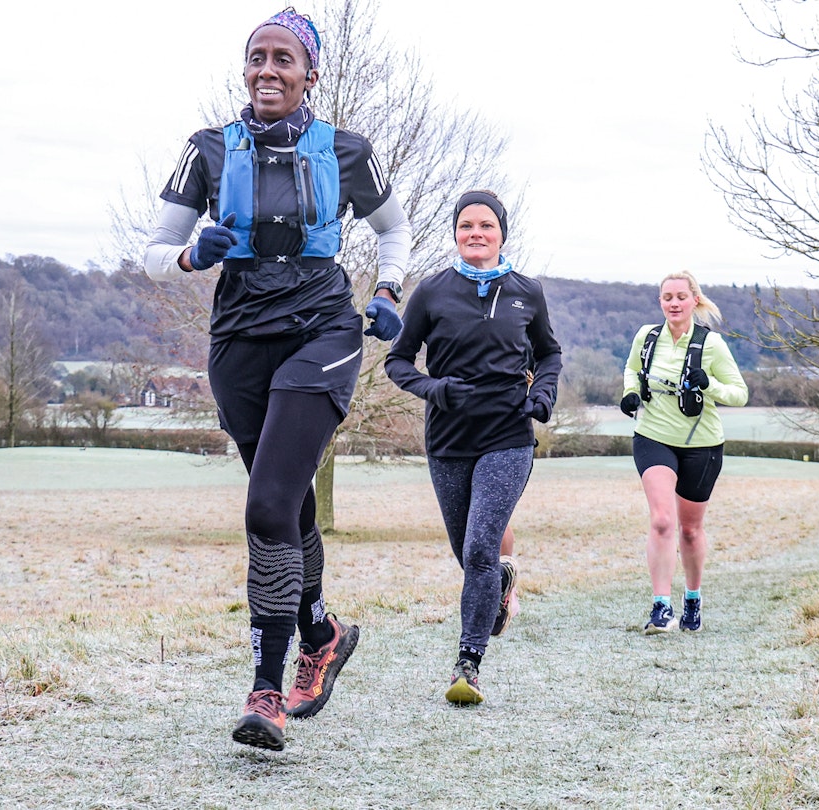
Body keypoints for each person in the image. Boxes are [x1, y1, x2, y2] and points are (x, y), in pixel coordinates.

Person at [143, 7, 411, 751]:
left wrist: (388, 292)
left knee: (266, 504)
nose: (268, 69)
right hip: (237, 338)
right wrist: (196, 254)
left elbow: (394, 227)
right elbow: (151, 251)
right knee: (285, 504)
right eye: (257, 57)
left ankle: (267, 691)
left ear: (309, 74)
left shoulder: (348, 150)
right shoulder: (206, 149)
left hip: (321, 328)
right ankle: (322, 631)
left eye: (283, 59)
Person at [385, 190, 561, 705]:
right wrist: (433, 389)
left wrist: (542, 393)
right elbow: (398, 362)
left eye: (486, 225)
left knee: (482, 547)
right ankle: (499, 587)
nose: (476, 233)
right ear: (455, 233)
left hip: (508, 433)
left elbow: (549, 353)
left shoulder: (526, 292)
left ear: (502, 233)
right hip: (448, 437)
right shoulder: (431, 292)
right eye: (466, 225)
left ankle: (469, 663)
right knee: (468, 555)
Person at [619, 272, 749, 634]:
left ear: (694, 300)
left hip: (702, 444)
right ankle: (661, 606)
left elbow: (740, 394)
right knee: (662, 520)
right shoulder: (646, 337)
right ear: (660, 302)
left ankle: (693, 598)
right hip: (653, 436)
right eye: (666, 297)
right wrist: (631, 392)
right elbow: (631, 370)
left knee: (690, 530)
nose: (673, 303)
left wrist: (711, 386)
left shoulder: (712, 345)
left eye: (680, 297)